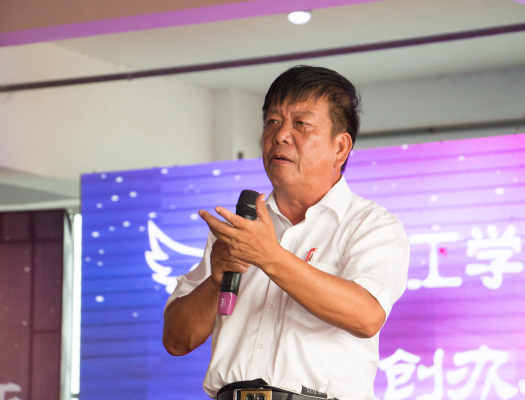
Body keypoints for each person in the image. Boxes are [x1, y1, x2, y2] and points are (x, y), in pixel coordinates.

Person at [162, 65, 410, 400]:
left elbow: (366, 317)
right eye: (272, 122)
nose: (280, 135)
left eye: (301, 124)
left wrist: (269, 256)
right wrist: (216, 279)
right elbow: (176, 341)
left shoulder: (371, 225)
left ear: (340, 147)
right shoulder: (241, 228)